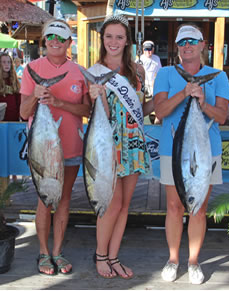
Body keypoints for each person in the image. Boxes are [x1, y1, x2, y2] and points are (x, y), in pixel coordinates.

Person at [153, 24, 229, 285]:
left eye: (192, 41)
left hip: (207, 151)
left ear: (202, 45)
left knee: (198, 208)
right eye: (182, 42)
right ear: (177, 47)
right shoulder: (165, 73)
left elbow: (222, 116)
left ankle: (194, 262)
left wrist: (202, 103)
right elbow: (160, 112)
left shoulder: (218, 76)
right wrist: (185, 93)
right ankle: (173, 259)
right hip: (172, 151)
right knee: (174, 207)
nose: (187, 46)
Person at [20, 19, 91, 276]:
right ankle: (42, 251)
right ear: (45, 40)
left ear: (69, 43)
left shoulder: (79, 71)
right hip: (41, 149)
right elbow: (23, 112)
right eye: (51, 37)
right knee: (44, 200)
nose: (55, 42)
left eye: (61, 38)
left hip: (71, 147)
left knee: (64, 200)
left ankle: (58, 251)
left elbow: (86, 110)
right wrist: (36, 96)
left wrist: (58, 102)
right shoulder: (31, 69)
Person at [87, 14, 153, 279]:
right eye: (109, 36)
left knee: (125, 205)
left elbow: (142, 109)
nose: (114, 42)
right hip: (107, 144)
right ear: (102, 40)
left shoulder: (137, 71)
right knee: (110, 204)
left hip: (134, 141)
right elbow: (96, 116)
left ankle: (113, 257)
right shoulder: (94, 71)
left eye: (119, 37)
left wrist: (160, 101)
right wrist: (96, 98)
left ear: (127, 42)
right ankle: (101, 255)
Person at [0, 53, 21, 122]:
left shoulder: (14, 81)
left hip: (14, 120)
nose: (7, 64)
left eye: (9, 62)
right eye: (4, 62)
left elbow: (19, 101)